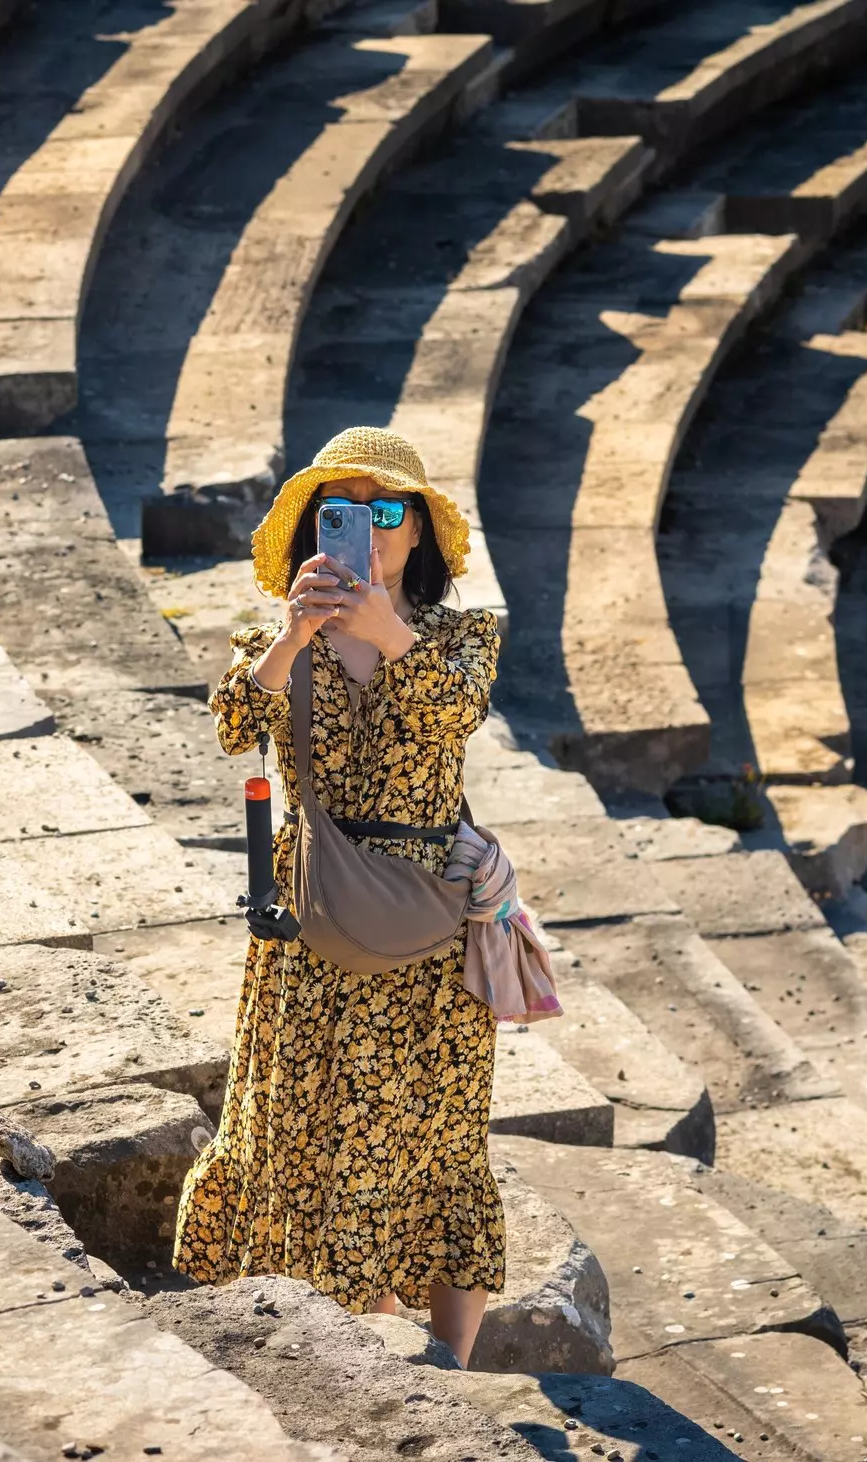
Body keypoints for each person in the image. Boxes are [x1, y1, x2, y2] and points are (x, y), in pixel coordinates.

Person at [171, 425, 506, 1367]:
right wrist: (294, 634)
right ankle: (302, 1343)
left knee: (437, 1134)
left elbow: (456, 714)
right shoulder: (277, 636)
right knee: (295, 1126)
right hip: (310, 914)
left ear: (420, 537)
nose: (365, 526)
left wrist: (384, 631)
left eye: (386, 511)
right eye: (341, 510)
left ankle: (450, 1371)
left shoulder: (460, 634)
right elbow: (237, 722)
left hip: (429, 927)